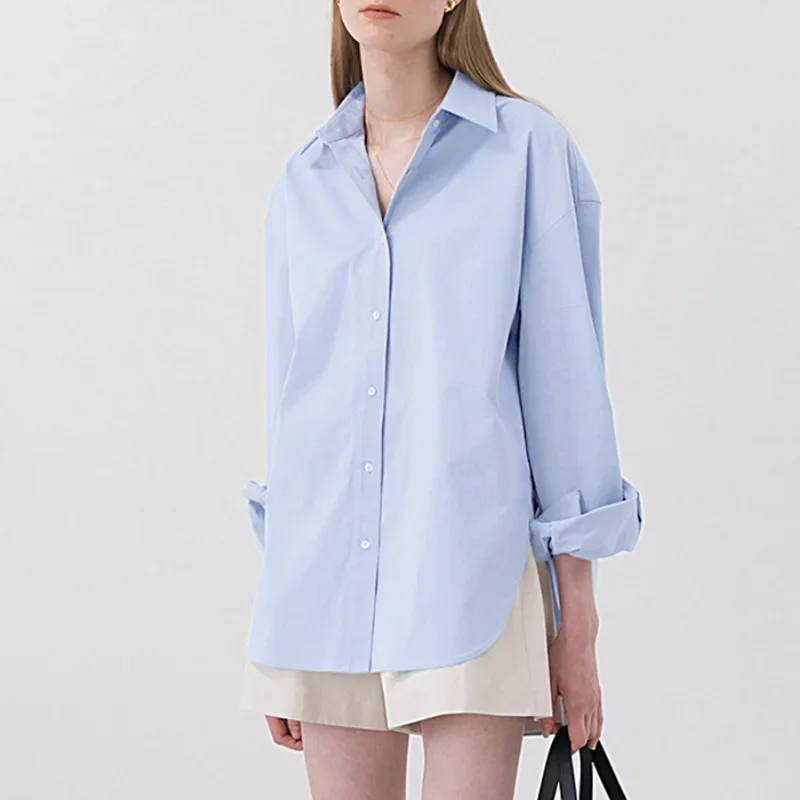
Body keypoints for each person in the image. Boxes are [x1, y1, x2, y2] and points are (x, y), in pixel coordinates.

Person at [238, 1, 644, 798]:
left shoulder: (525, 150)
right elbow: (294, 408)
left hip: (472, 574)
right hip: (325, 590)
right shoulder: (305, 177)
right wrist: (282, 618)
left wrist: (577, 623)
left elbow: (566, 390)